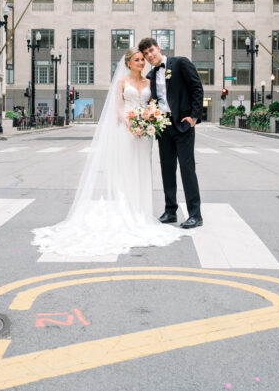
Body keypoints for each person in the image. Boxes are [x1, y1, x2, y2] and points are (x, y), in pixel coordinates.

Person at [31, 47, 193, 256]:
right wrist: (128, 122)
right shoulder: (121, 82)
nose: (142, 63)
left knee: (142, 168)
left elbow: (154, 104)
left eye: (143, 60)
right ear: (128, 63)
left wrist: (149, 119)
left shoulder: (149, 82)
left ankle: (141, 213)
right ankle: (127, 211)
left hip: (145, 132)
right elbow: (118, 106)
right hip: (126, 128)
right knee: (126, 169)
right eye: (137, 60)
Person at [139, 37, 205, 229]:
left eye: (151, 51)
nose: (149, 56)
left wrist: (194, 117)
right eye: (145, 54)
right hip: (163, 125)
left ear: (158, 48)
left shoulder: (180, 63)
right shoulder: (151, 75)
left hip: (183, 124)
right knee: (167, 170)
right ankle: (170, 211)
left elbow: (196, 88)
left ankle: (195, 214)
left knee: (187, 169)